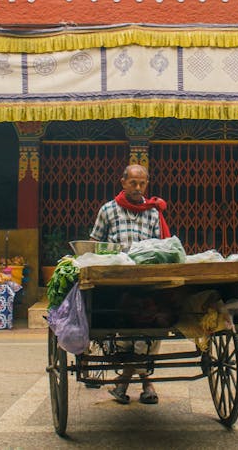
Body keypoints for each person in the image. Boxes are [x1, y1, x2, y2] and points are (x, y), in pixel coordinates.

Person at [90, 164, 170, 405]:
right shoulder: (108, 210)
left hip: (147, 282)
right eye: (133, 183)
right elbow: (94, 243)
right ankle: (146, 382)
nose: (137, 188)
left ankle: (125, 381)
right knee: (126, 332)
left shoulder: (153, 212)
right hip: (117, 283)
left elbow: (161, 246)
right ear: (123, 182)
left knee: (152, 329)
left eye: (142, 183)